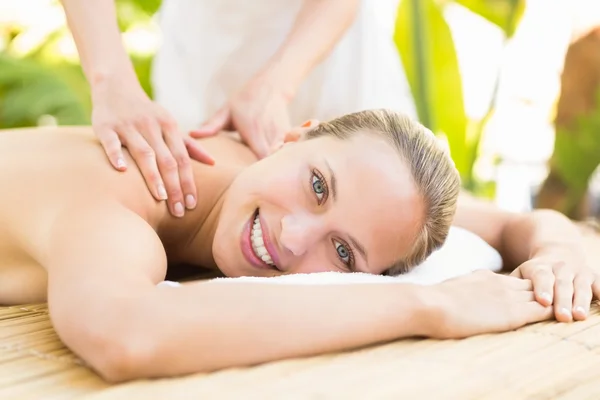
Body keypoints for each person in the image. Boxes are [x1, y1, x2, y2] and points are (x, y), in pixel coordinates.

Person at [0, 110, 597, 383]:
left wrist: (560, 251)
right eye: (318, 187)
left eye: (343, 255)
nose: (292, 236)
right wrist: (431, 306)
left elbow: (516, 222)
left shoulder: (277, 173)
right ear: (294, 134)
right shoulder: (127, 200)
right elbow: (123, 334)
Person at [58, 0, 415, 219]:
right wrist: (110, 80)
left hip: (320, 48)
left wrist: (275, 86)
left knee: (387, 203)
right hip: (203, 40)